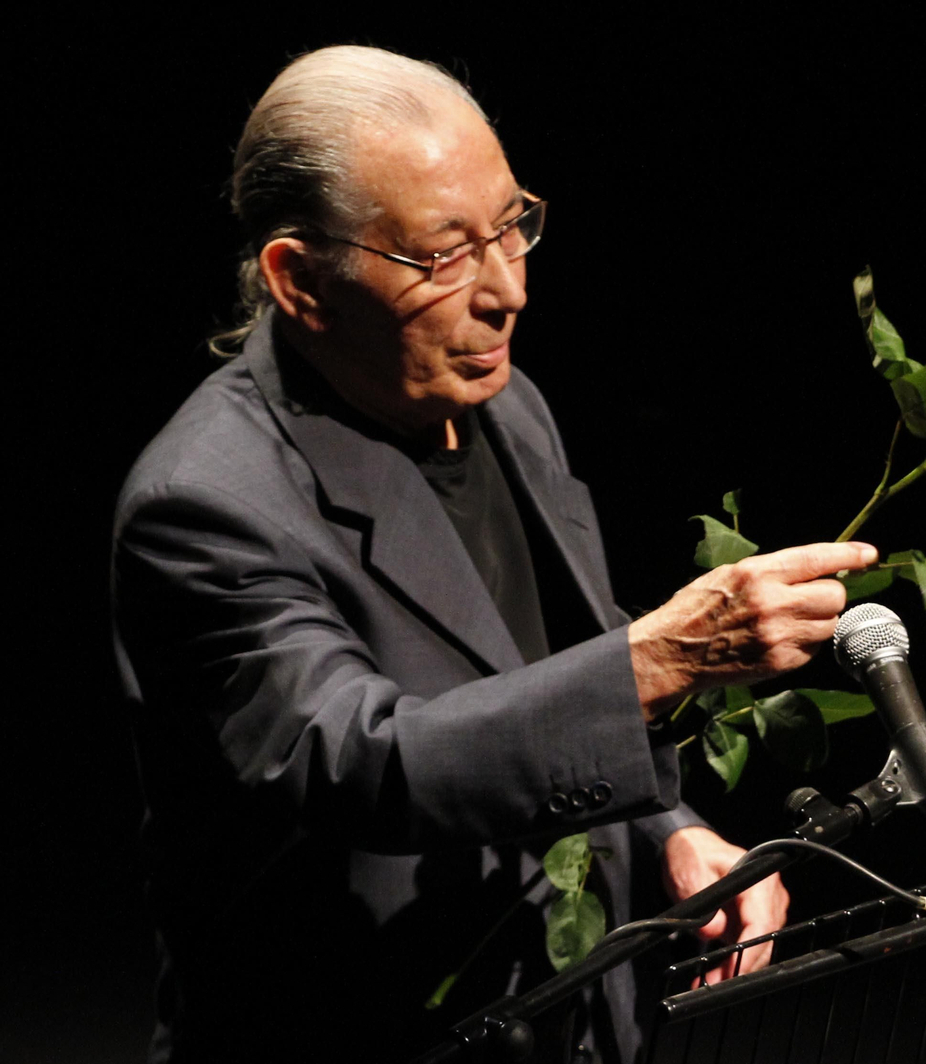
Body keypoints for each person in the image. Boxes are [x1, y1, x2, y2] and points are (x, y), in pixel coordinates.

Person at [111, 45, 876, 1064]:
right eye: (442, 255)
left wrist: (669, 830)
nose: (506, 290)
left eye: (511, 225)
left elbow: (546, 679)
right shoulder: (204, 502)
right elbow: (367, 761)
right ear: (301, 282)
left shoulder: (504, 403)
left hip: (553, 1012)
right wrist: (663, 657)